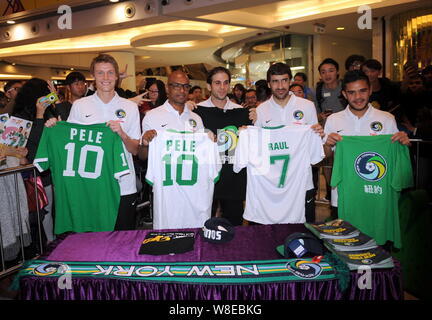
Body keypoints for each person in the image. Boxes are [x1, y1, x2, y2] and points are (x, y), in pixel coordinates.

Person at [66, 54, 141, 230]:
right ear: (93, 76)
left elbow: (136, 150)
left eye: (110, 73)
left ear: (116, 76)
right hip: (91, 184)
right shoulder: (80, 105)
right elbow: (69, 141)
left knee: (122, 239)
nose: (105, 78)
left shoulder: (130, 107)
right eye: (100, 73)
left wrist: (122, 134)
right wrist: (54, 126)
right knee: (93, 240)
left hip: (123, 184)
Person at [324, 70, 410, 219]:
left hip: (376, 193)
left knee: (376, 238)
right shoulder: (333, 120)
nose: (358, 97)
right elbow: (325, 156)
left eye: (362, 91)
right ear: (344, 94)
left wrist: (403, 144)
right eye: (352, 92)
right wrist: (327, 145)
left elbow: (395, 158)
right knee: (345, 239)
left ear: (370, 90)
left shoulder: (386, 119)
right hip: (344, 194)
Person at [251, 62, 324, 223]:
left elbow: (314, 144)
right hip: (272, 185)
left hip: (302, 182)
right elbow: (258, 148)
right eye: (275, 81)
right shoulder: (261, 110)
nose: (280, 86)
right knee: (272, 232)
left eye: (284, 80)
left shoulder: (307, 106)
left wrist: (318, 134)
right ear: (269, 84)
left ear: (290, 81)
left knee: (303, 232)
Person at [192, 67, 253, 226]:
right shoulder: (196, 112)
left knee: (234, 226)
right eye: (217, 83)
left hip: (233, 178)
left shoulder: (241, 112)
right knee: (203, 223)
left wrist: (252, 124)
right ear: (209, 86)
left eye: (226, 83)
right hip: (206, 177)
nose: (222, 87)